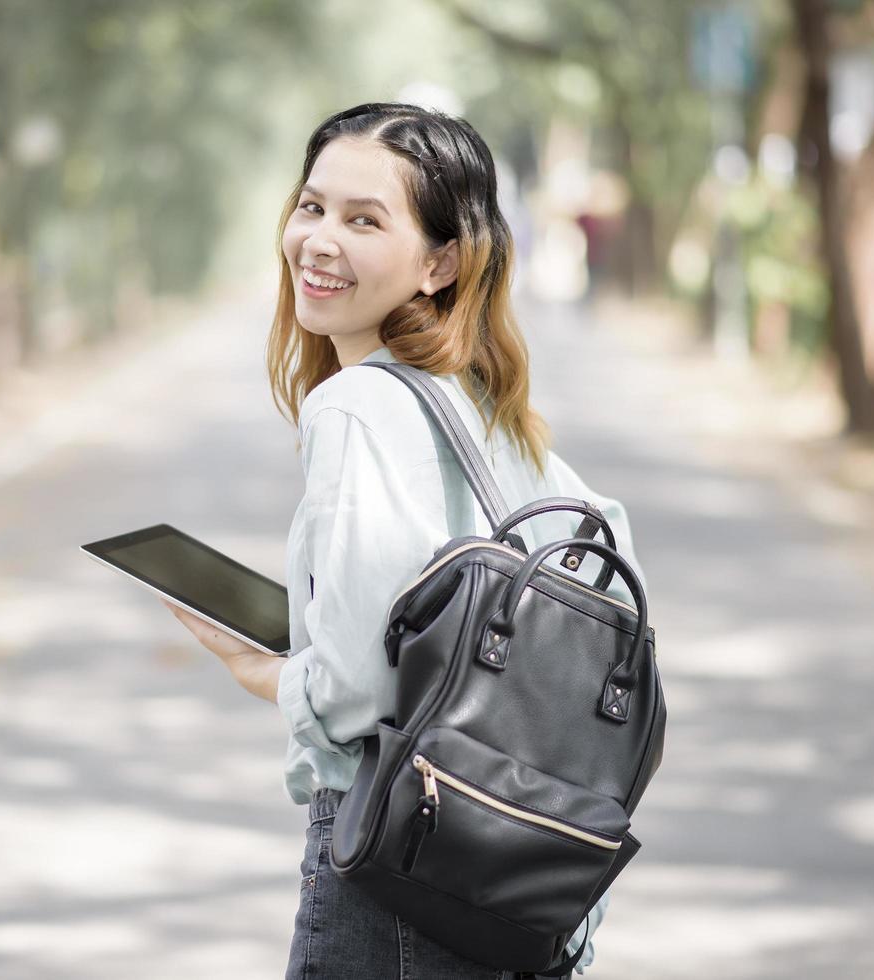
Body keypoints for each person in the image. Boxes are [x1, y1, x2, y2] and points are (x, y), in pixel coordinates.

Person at [163, 102, 647, 980]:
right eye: (310, 208)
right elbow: (612, 565)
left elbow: (354, 690)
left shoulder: (356, 405)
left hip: (395, 871)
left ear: (440, 262)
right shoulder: (495, 416)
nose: (317, 240)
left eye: (362, 220)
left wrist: (270, 674)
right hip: (516, 881)